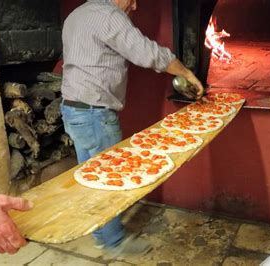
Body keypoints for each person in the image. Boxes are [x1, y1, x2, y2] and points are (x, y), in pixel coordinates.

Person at [60, 0, 204, 254]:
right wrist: (187, 72)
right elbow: (147, 52)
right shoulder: (108, 15)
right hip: (94, 113)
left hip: (73, 108)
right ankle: (113, 242)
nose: (135, 6)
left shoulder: (77, 13)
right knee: (109, 179)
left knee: (93, 177)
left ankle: (100, 233)